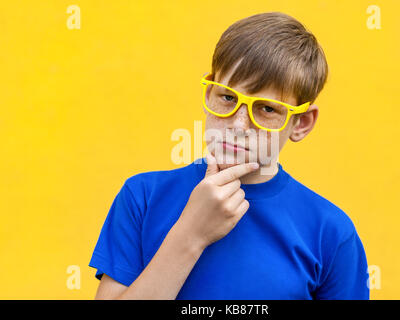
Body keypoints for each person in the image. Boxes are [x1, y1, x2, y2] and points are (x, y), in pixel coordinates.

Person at [89, 11, 370, 300]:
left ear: (301, 123)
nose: (238, 125)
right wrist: (190, 235)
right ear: (210, 93)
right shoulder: (141, 198)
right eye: (228, 97)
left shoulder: (331, 232)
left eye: (267, 109)